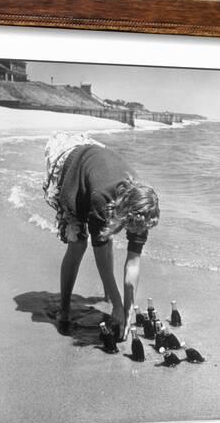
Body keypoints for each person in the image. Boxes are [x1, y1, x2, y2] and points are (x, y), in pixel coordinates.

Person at [43, 132, 160, 341]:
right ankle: (65, 306)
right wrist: (117, 303)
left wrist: (128, 307)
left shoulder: (143, 206)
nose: (137, 231)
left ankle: (110, 295)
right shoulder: (102, 198)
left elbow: (133, 263)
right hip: (72, 167)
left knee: (106, 236)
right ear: (126, 214)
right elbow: (101, 251)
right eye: (132, 226)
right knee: (78, 244)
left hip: (98, 165)